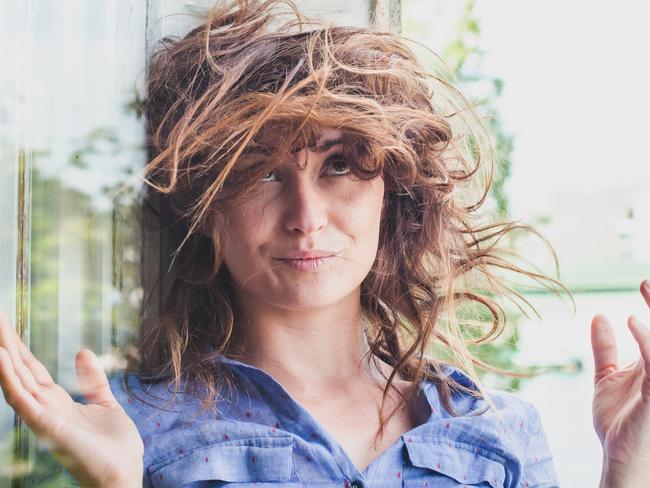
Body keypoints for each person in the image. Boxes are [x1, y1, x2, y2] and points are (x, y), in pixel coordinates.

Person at [0, 0, 649, 486]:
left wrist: (628, 469)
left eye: (338, 166)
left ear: (389, 192)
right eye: (260, 173)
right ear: (205, 205)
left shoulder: (497, 432)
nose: (305, 217)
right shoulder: (130, 432)